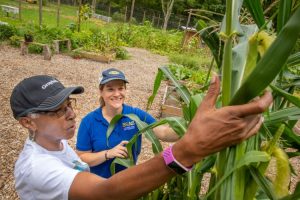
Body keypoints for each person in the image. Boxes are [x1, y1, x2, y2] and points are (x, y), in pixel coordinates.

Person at [10, 74, 272, 200]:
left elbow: (164, 131)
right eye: (58, 110)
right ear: (27, 122)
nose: (70, 115)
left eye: (69, 104)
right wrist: (186, 152)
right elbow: (105, 192)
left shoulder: (56, 142)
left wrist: (199, 128)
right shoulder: (37, 167)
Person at [76, 68, 178, 178]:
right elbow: (81, 157)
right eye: (110, 89)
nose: (117, 94)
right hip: (99, 184)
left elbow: (164, 132)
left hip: (127, 183)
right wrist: (108, 154)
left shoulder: (135, 115)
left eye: (121, 88)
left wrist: (187, 127)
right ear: (101, 91)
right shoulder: (89, 121)